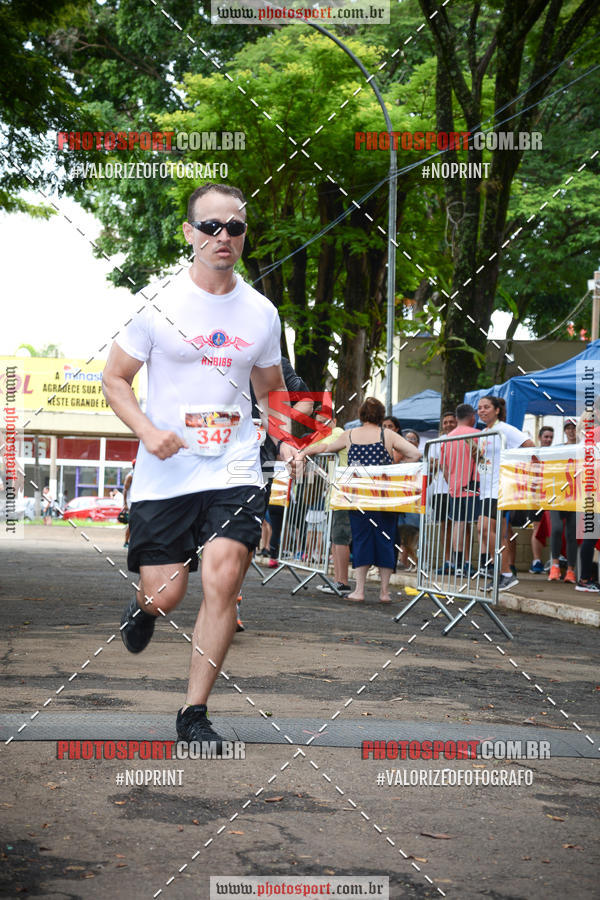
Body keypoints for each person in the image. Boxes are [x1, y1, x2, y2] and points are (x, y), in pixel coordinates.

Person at [101, 182, 302, 749]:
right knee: (168, 593)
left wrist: (284, 435)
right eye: (211, 227)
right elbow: (114, 378)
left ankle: (194, 712)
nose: (223, 237)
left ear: (244, 236)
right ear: (189, 233)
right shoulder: (156, 304)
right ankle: (143, 609)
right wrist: (147, 431)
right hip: (165, 470)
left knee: (223, 577)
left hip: (232, 465)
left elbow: (270, 389)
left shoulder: (261, 313)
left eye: (234, 227)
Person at [300, 397, 421, 603]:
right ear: (381, 415)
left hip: (358, 497)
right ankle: (384, 592)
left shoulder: (350, 435)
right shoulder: (387, 435)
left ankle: (360, 590)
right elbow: (415, 453)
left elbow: (324, 448)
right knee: (385, 540)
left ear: (361, 414)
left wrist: (304, 451)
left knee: (361, 541)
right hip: (383, 497)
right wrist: (393, 469)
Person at [476, 395, 534, 592]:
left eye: (486, 407)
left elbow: (530, 446)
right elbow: (484, 462)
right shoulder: (485, 432)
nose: (482, 410)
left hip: (499, 488)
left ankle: (505, 573)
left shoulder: (505, 430)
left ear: (497, 410)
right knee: (497, 532)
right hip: (485, 489)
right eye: (479, 408)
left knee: (485, 529)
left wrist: (518, 474)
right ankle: (503, 574)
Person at [309, 409, 352, 595]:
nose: (321, 425)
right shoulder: (324, 435)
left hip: (342, 493)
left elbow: (318, 449)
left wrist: (302, 453)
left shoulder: (337, 433)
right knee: (335, 539)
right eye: (318, 422)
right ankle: (337, 580)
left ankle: (342, 582)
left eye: (325, 421)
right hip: (334, 494)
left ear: (334, 420)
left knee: (340, 537)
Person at [439, 403, 480, 575]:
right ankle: (470, 563)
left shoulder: (447, 439)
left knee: (458, 524)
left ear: (456, 418)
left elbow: (445, 469)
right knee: (476, 525)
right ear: (473, 417)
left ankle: (457, 565)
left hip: (455, 488)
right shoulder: (480, 435)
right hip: (475, 487)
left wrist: (453, 483)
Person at [428, 411, 457, 574]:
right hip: (441, 491)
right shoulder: (436, 443)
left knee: (461, 526)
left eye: (451, 422)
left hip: (460, 489)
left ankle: (461, 561)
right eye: (445, 422)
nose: (448, 425)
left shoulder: (463, 440)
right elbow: (431, 465)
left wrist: (439, 462)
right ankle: (448, 561)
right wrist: (439, 463)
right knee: (445, 526)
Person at [121, 460, 135, 548]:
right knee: (132, 523)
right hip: (130, 502)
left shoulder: (137, 475)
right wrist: (125, 504)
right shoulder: (130, 476)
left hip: (135, 501)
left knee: (136, 523)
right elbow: (125, 490)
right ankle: (126, 542)